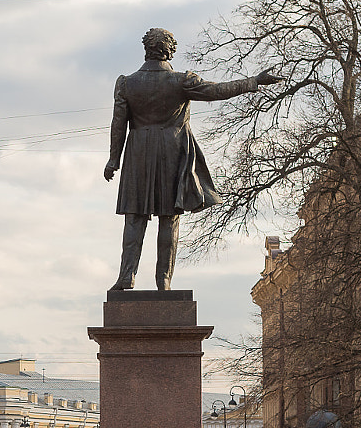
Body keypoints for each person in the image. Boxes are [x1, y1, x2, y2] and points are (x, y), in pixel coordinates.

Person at [103, 26, 283, 290]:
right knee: (170, 215)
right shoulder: (181, 81)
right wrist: (254, 81)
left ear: (146, 50)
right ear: (170, 50)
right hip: (171, 150)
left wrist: (113, 160)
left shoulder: (127, 83)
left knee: (135, 216)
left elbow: (118, 125)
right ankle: (163, 279)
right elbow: (217, 90)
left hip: (138, 151)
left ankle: (126, 275)